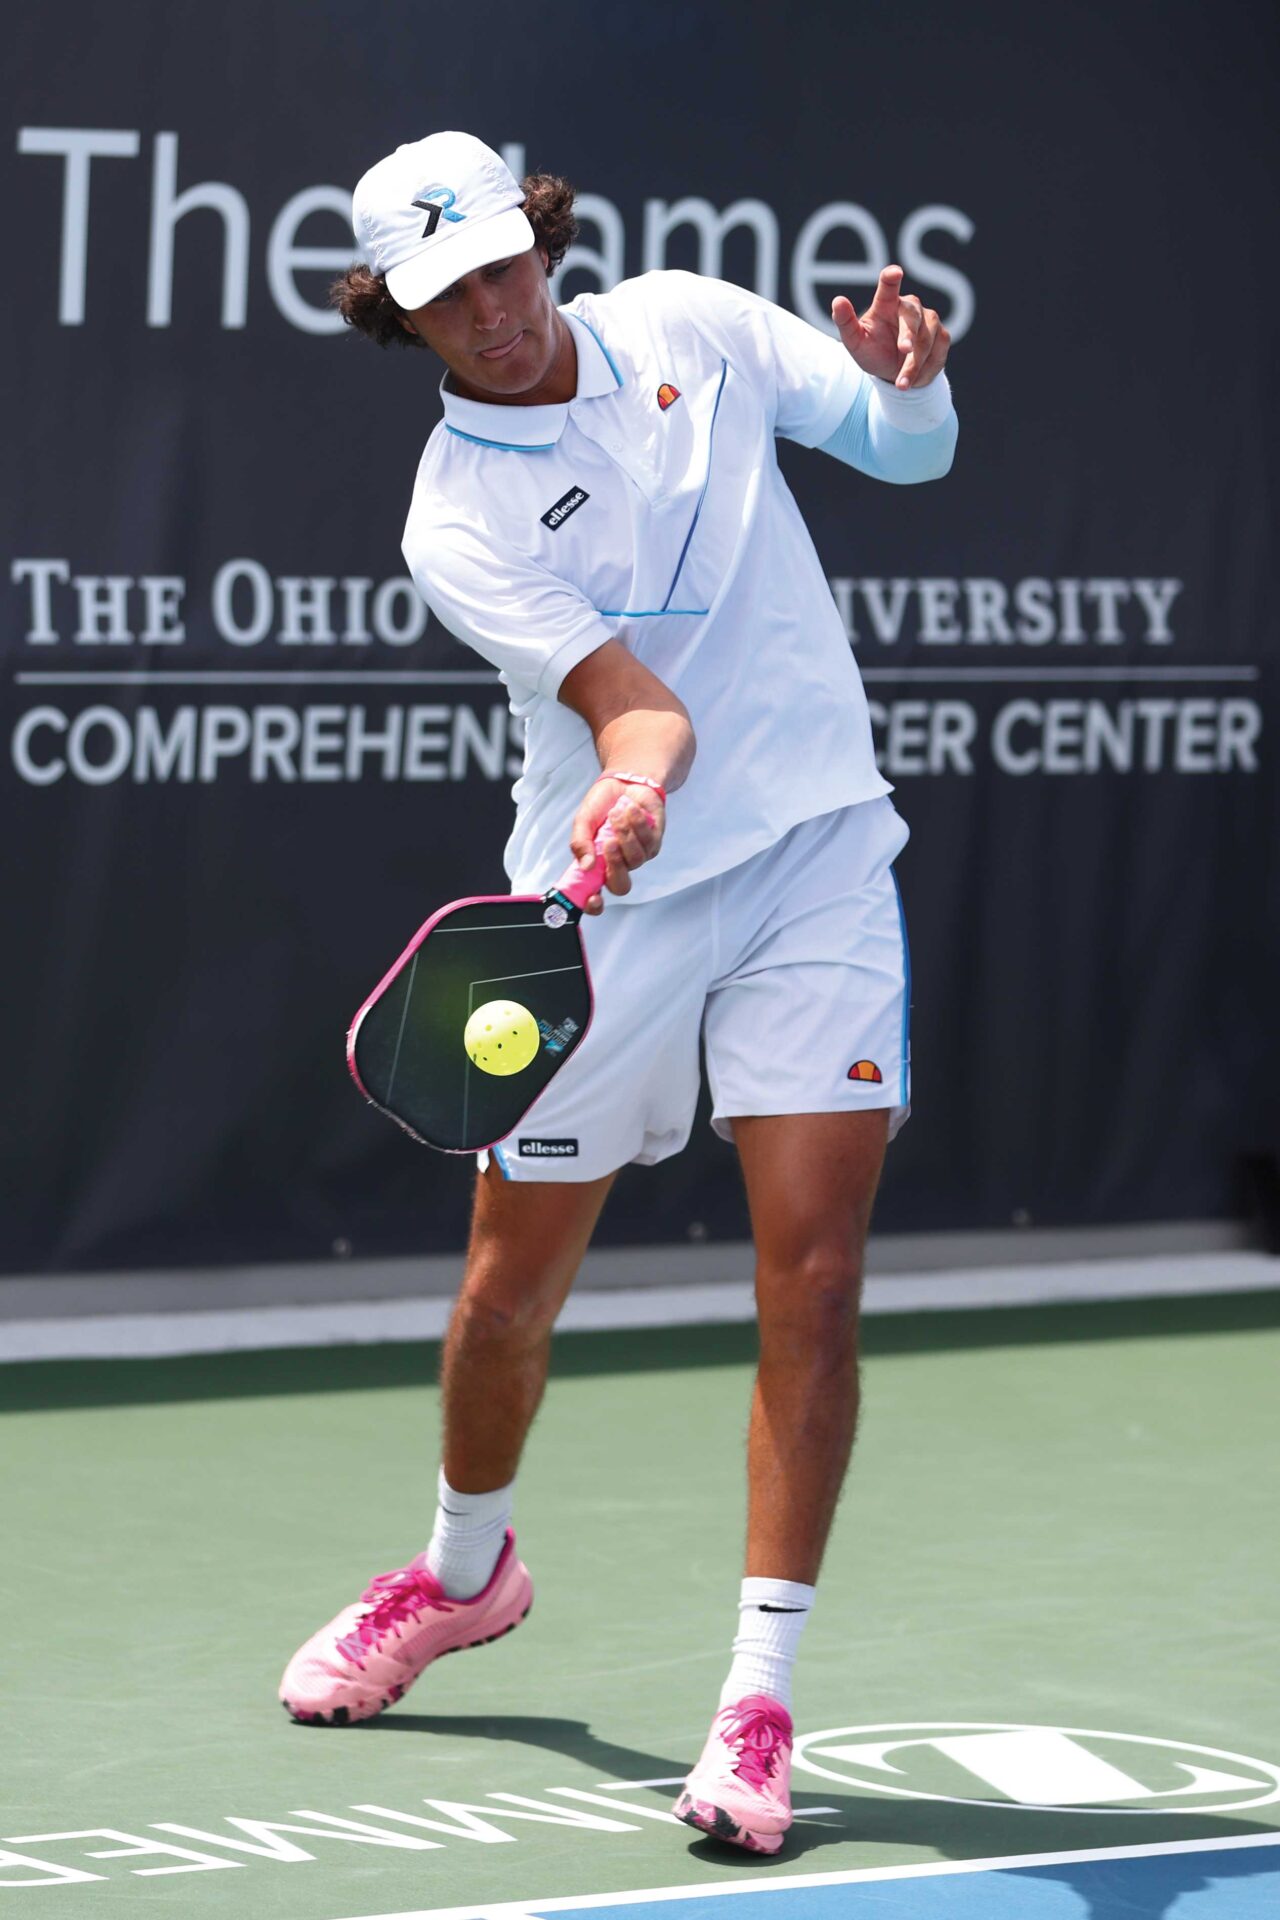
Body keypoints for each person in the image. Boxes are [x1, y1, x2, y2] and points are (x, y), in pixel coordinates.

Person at [281, 129, 956, 1856]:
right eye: (447, 298)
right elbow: (630, 706)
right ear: (403, 317)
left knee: (812, 1277)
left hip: (813, 855)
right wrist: (635, 782)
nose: (495, 315)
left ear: (541, 241)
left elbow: (900, 449)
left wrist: (909, 388)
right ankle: (459, 1572)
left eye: (505, 268)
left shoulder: (695, 328)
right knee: (508, 1300)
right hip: (605, 903)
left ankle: (755, 1704)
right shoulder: (458, 513)